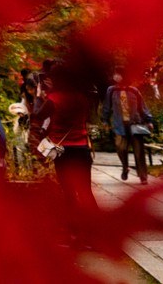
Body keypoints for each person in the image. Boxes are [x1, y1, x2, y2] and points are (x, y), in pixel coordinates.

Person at [35, 59, 98, 221]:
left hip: (63, 151)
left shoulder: (54, 99)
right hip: (83, 149)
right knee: (85, 191)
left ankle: (74, 231)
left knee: (68, 192)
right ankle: (96, 230)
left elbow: (38, 116)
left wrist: (39, 97)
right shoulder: (82, 98)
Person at [104, 70, 152, 183]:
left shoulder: (133, 90)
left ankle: (143, 176)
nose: (116, 76)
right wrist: (105, 121)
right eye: (114, 74)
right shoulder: (111, 90)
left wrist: (149, 120)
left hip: (135, 124)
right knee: (121, 148)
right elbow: (107, 106)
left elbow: (142, 106)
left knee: (139, 151)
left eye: (118, 74)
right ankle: (125, 167)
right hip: (119, 124)